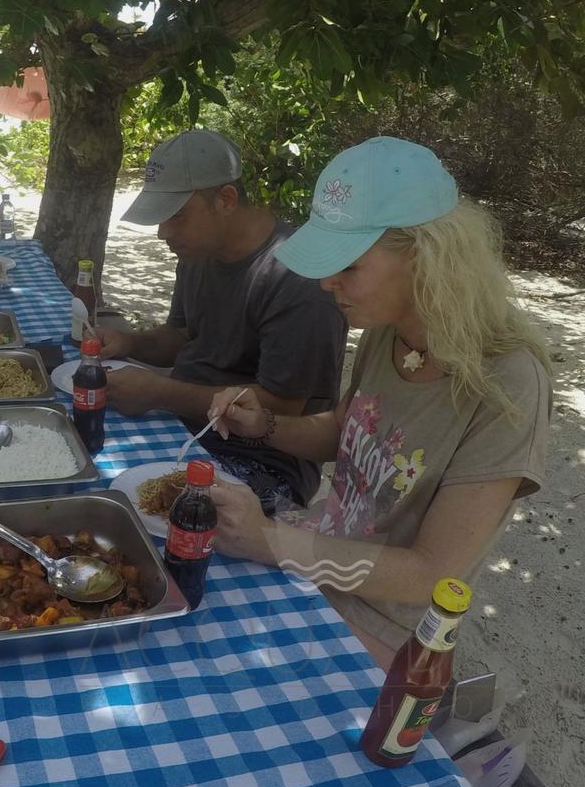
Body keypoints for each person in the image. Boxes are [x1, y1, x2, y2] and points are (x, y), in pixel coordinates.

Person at [205, 137, 551, 667]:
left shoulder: (507, 381)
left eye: (348, 265)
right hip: (312, 556)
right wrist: (264, 425)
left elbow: (432, 573)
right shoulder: (386, 330)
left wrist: (266, 540)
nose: (327, 282)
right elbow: (342, 434)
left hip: (386, 625)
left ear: (425, 256)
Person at [99, 130, 347, 511]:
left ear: (226, 200)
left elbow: (284, 407)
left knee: (175, 528)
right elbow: (183, 335)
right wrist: (130, 344)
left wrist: (159, 392)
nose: (163, 233)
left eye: (176, 217)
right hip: (184, 428)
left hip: (264, 460)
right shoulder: (198, 251)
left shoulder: (299, 279)